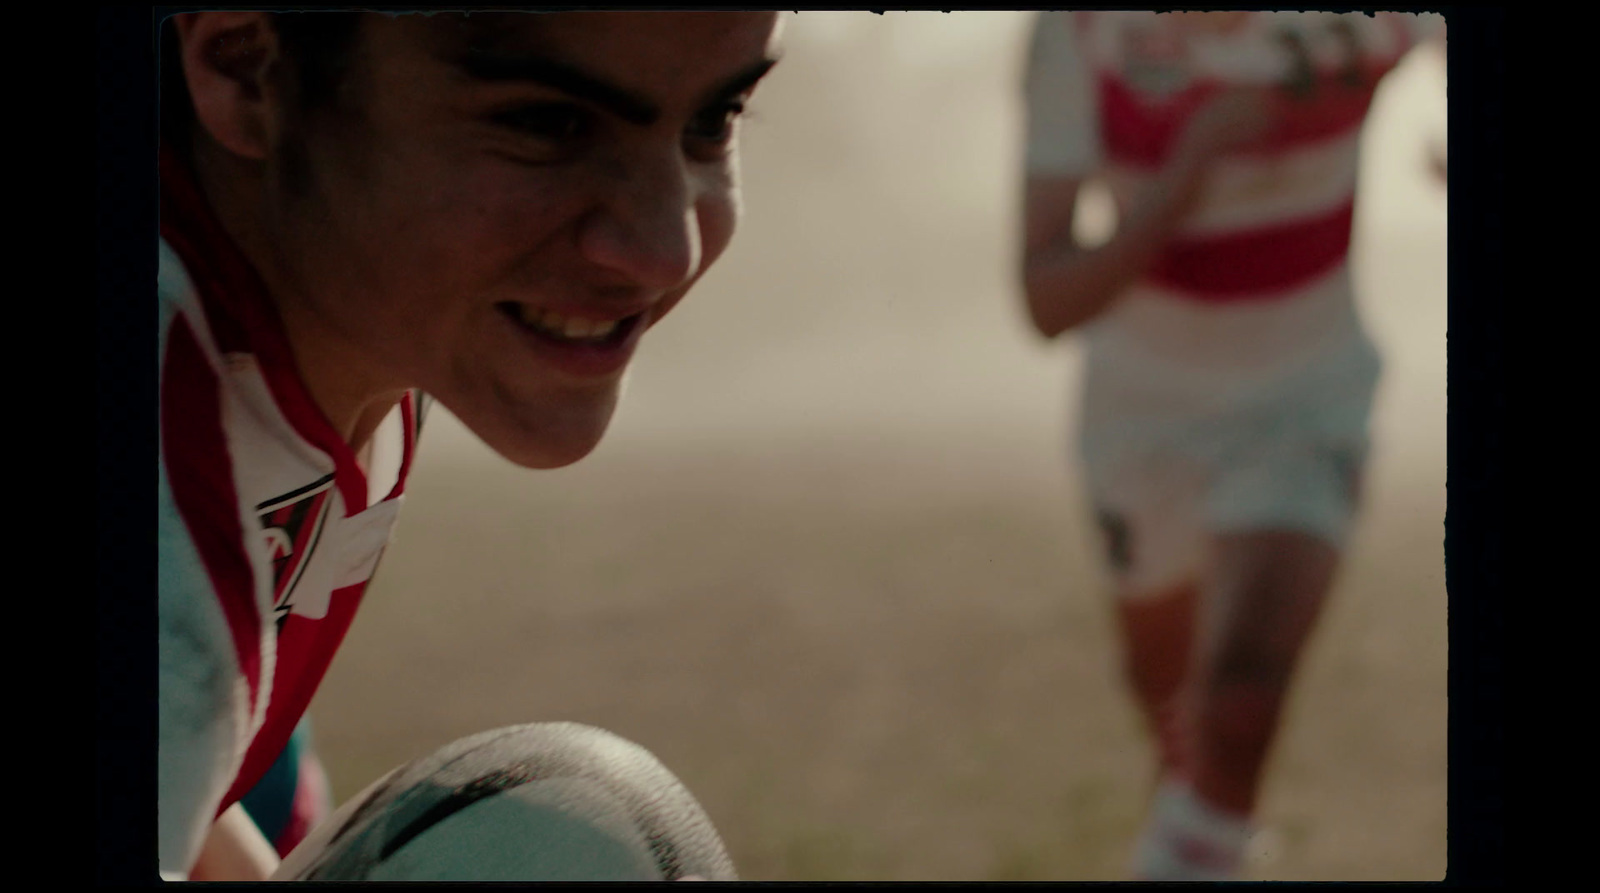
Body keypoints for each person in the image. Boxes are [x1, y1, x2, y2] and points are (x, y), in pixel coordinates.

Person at [158, 10, 783, 881]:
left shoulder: (354, 320)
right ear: (246, 69)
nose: (662, 248)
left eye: (713, 121)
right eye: (547, 123)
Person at [1019, 11, 1443, 881]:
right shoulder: (1078, 31)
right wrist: (1190, 166)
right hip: (1139, 417)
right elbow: (1046, 299)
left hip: (1303, 400)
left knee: (1240, 703)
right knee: (1180, 725)